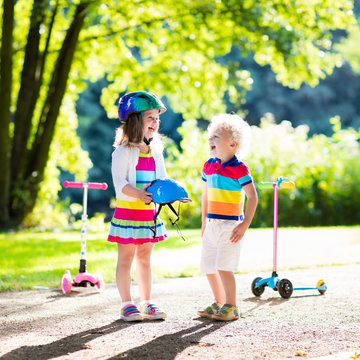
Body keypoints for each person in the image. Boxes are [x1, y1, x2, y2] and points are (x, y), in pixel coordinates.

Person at [108, 91, 168, 322]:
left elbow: (162, 179)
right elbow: (120, 183)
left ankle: (147, 302)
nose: (156, 122)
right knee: (125, 258)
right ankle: (126, 304)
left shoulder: (157, 152)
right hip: (128, 214)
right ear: (136, 120)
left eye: (157, 118)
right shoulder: (122, 152)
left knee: (145, 258)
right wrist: (139, 194)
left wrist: (172, 193)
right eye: (150, 117)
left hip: (148, 215)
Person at [198, 113, 258, 321]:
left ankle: (232, 307)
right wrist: (204, 223)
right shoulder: (208, 166)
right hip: (212, 225)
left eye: (216, 136)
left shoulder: (239, 169)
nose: (210, 139)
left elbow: (253, 197)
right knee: (208, 267)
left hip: (231, 226)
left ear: (233, 143)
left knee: (224, 267)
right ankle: (220, 303)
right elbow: (205, 196)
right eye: (210, 135)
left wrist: (244, 225)